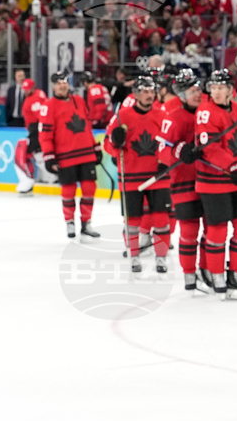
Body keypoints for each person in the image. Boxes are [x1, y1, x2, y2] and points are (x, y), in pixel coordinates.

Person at [195, 69, 237, 300]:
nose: (216, 92)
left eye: (221, 87)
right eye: (213, 87)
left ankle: (235, 275)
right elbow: (210, 149)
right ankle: (216, 275)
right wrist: (233, 166)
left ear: (231, 90)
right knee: (218, 231)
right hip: (213, 182)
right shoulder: (204, 112)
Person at [104, 76, 172, 274]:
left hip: (158, 177)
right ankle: (134, 256)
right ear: (135, 94)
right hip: (131, 176)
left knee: (161, 219)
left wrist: (165, 162)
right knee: (132, 221)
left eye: (152, 92)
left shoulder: (162, 115)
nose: (150, 95)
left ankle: (161, 257)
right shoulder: (121, 116)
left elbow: (170, 143)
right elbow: (108, 145)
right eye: (145, 92)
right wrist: (115, 143)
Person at [159, 69, 209, 293]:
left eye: (198, 89)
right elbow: (162, 151)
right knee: (189, 230)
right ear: (181, 94)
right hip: (184, 182)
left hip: (210, 181)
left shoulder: (210, 112)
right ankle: (189, 274)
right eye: (192, 91)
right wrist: (179, 150)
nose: (197, 94)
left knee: (212, 229)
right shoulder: (174, 118)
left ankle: (208, 269)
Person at [39, 72, 102, 241]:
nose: (62, 86)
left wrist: (95, 146)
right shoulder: (48, 106)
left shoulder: (79, 101)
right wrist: (48, 155)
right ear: (53, 87)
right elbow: (45, 135)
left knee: (89, 189)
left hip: (86, 153)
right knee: (69, 190)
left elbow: (87, 126)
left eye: (64, 83)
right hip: (65, 156)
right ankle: (70, 222)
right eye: (58, 84)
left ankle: (86, 222)